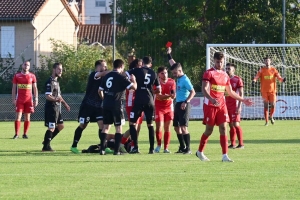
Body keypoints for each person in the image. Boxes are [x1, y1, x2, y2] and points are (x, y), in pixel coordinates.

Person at [196, 52, 253, 162]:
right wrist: (212, 99)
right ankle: (200, 151)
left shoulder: (225, 75)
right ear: (214, 61)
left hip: (222, 105)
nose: (219, 64)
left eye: (221, 62)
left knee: (223, 128)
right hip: (210, 105)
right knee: (209, 130)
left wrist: (243, 100)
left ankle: (225, 155)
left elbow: (230, 92)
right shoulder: (209, 73)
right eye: (218, 62)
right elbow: (204, 89)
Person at [98, 59, 137, 155]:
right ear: (121, 66)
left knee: (106, 127)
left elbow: (99, 91)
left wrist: (104, 99)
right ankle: (116, 151)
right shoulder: (121, 76)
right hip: (116, 105)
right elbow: (134, 88)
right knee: (118, 128)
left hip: (106, 104)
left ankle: (102, 150)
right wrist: (134, 80)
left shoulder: (106, 76)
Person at [70, 60, 107, 154]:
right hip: (88, 106)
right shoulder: (94, 75)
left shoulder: (104, 77)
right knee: (83, 125)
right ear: (98, 67)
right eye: (104, 66)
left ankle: (103, 146)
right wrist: (115, 71)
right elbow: (101, 74)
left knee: (102, 125)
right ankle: (74, 146)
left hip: (98, 106)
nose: (106, 68)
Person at [126, 56, 161, 154]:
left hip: (139, 101)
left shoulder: (137, 70)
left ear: (143, 62)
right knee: (150, 124)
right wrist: (151, 90)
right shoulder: (154, 73)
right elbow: (159, 89)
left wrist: (133, 81)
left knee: (132, 123)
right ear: (151, 64)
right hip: (149, 101)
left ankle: (135, 147)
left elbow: (125, 74)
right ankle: (151, 149)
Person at [167, 48, 195, 154]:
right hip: (178, 104)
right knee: (176, 127)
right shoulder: (179, 76)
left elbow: (193, 92)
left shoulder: (185, 80)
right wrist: (169, 54)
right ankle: (182, 146)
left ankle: (188, 148)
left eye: (175, 73)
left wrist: (186, 102)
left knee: (183, 127)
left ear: (180, 71)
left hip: (184, 104)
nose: (173, 74)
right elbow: (173, 64)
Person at [42, 63, 70, 152]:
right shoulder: (50, 82)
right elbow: (47, 96)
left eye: (61, 69)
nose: (60, 71)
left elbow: (59, 96)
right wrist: (56, 100)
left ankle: (46, 141)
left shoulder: (56, 82)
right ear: (54, 69)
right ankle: (46, 147)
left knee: (61, 126)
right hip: (51, 108)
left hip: (57, 108)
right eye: (59, 69)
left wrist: (65, 104)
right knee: (52, 127)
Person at [119, 59, 144, 153]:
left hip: (140, 103)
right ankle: (121, 144)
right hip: (131, 103)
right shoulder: (129, 76)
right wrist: (134, 81)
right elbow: (131, 88)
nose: (141, 67)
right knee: (133, 126)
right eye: (139, 65)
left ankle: (134, 146)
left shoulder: (141, 75)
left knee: (138, 127)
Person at [252, 56, 286, 126]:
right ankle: (267, 121)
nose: (267, 62)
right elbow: (257, 76)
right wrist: (254, 80)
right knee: (266, 106)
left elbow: (279, 77)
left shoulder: (274, 70)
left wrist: (282, 80)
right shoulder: (261, 70)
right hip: (264, 91)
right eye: (266, 61)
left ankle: (271, 116)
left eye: (268, 60)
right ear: (264, 62)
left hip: (272, 91)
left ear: (270, 61)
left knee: (273, 105)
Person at [11, 60, 38, 139]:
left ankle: (25, 134)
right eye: (25, 65)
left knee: (27, 117)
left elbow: (35, 88)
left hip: (29, 100)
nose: (26, 66)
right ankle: (16, 134)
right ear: (22, 65)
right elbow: (14, 88)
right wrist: (13, 99)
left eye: (28, 65)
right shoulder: (17, 76)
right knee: (18, 116)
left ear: (29, 67)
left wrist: (36, 99)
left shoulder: (32, 76)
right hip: (19, 100)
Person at [154, 66, 176, 153]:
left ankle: (166, 148)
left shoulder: (172, 81)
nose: (164, 75)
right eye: (162, 73)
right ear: (159, 75)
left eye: (166, 73)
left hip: (169, 107)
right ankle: (159, 145)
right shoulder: (156, 82)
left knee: (167, 128)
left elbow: (173, 93)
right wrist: (169, 96)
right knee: (159, 127)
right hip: (159, 107)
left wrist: (173, 95)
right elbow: (159, 96)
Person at [225, 63, 244, 149]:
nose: (227, 70)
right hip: (226, 104)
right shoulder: (224, 79)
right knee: (230, 125)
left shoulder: (237, 79)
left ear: (233, 70)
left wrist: (239, 105)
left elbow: (241, 93)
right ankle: (233, 144)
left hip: (235, 105)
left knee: (236, 124)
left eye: (229, 68)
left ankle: (241, 144)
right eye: (227, 68)